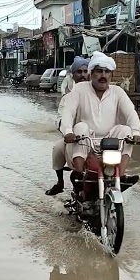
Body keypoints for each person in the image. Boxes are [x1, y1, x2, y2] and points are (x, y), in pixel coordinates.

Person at [60, 52, 140, 190]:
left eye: (107, 72)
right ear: (91, 74)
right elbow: (68, 112)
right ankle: (80, 176)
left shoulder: (118, 92)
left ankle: (120, 177)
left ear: (111, 75)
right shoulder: (80, 89)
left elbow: (131, 113)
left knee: (126, 131)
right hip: (86, 141)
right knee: (80, 126)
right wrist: (68, 132)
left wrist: (136, 133)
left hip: (110, 143)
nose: (103, 75)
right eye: (99, 71)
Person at [44, 56, 90, 196]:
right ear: (73, 75)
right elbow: (61, 119)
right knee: (58, 148)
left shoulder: (99, 94)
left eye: (85, 71)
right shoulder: (68, 98)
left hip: (97, 138)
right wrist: (67, 131)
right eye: (79, 72)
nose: (82, 75)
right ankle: (60, 182)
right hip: (76, 138)